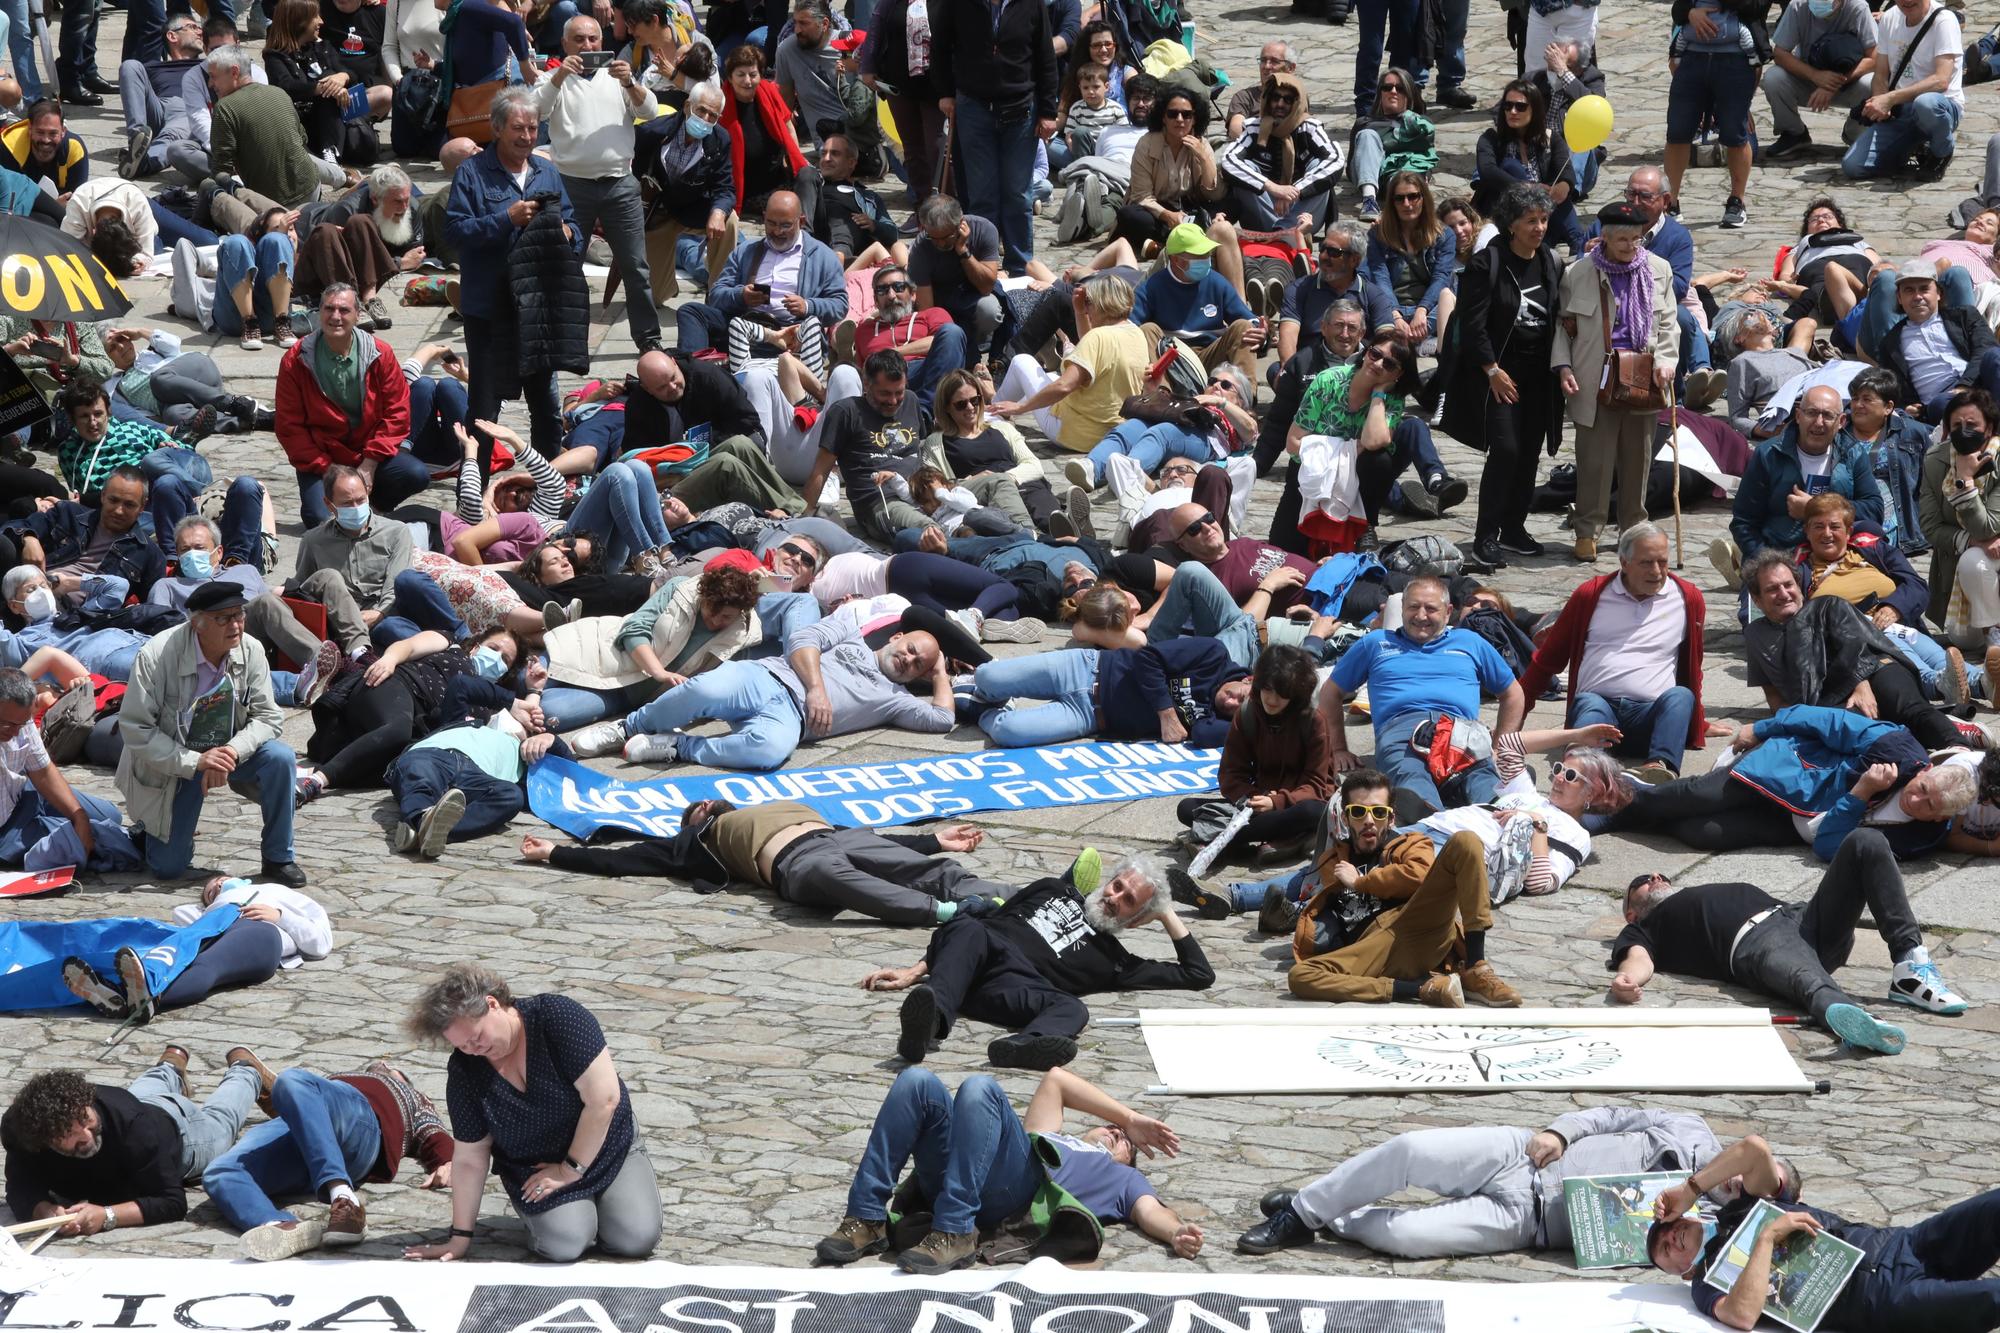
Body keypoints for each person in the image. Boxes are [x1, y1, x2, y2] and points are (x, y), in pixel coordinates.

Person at [1613, 830, 1967, 1063]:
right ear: (1632, 912)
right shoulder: (1646, 927)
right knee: (1805, 978)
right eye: (1644, 881)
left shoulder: (1691, 896)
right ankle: (1855, 1021)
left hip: (1802, 918)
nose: (1655, 878)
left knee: (1865, 841)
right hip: (1757, 942)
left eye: (1659, 874)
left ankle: (1910, 965)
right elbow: (1638, 958)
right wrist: (1628, 980)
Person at [818, 1065, 1203, 1275]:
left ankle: (954, 1232)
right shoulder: (1047, 1133)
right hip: (962, 1176)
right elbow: (1056, 1078)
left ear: (1126, 1161)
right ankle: (866, 1219)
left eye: (1125, 1142)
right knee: (915, 1081)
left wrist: (1176, 1233)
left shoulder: (1121, 1177)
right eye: (1112, 1128)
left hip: (1017, 1196)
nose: (1116, 1133)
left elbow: (1150, 1211)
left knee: (980, 1088)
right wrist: (1129, 1118)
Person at [403, 964, 660, 1264]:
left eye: (477, 1037)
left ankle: (600, 1206)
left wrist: (569, 1169)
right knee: (565, 1243)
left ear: (492, 1004)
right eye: (463, 1046)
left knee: (635, 1238)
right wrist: (460, 1237)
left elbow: (604, 1099)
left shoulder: (557, 1017)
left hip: (606, 1144)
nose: (474, 1049)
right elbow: (471, 1158)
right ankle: (571, 1214)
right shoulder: (465, 1069)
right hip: (534, 1166)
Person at [859, 854, 1214, 1070]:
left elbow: (1198, 974)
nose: (1113, 897)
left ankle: (1021, 1047)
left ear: (1136, 919)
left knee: (1073, 1009)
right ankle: (927, 1026)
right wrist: (915, 971)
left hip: (1011, 989)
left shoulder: (1117, 962)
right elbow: (972, 931)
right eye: (1116, 885)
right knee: (969, 926)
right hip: (979, 956)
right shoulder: (1051, 888)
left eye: (1128, 899)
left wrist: (1166, 913)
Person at [1239, 1107, 1742, 1259]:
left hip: (1527, 1223)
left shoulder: (1712, 1228)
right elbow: (1612, 1115)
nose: (1744, 1181)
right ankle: (1301, 1215)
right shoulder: (1692, 1126)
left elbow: (1665, 1256)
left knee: (1404, 1238)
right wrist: (1559, 1132)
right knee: (1412, 1149)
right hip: (1524, 1155)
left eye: (1763, 1186)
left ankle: (1327, 1212)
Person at [1648, 1138, 2000, 1332]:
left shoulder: (1738, 1209)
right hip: (1880, 1299)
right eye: (1664, 1249)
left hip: (1900, 1244)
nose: (1671, 1236)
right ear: (1682, 1271)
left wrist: (1690, 1189)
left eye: (1671, 1226)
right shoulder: (1704, 1284)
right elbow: (1741, 1315)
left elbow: (1754, 1150)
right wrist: (1767, 1240)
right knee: (1992, 1297)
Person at [522, 798, 1015, 926]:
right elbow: (624, 860)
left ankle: (1007, 897)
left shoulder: (776, 806)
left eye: (706, 803)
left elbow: (875, 840)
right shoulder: (699, 840)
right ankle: (941, 914)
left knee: (933, 871)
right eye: (692, 811)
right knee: (833, 877)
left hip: (835, 836)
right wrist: (556, 853)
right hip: (795, 865)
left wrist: (932, 840)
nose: (703, 806)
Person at [565, 615, 952, 768]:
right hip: (766, 676)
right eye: (911, 649)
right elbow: (802, 639)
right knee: (704, 689)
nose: (909, 660)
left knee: (769, 753)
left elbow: (942, 718)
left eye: (918, 664)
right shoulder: (850, 635)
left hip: (791, 720)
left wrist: (939, 673)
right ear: (898, 637)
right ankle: (629, 727)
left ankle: (677, 747)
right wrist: (815, 688)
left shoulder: (895, 699)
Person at [116, 581, 305, 886]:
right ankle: (151, 834)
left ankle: (278, 857)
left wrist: (231, 751)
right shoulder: (156, 655)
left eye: (239, 615)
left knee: (281, 758)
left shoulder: (251, 649)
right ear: (197, 623)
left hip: (231, 751)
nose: (235, 625)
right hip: (177, 760)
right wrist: (197, 762)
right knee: (167, 868)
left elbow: (269, 717)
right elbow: (136, 729)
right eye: (223, 618)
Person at [1608, 702, 1973, 859]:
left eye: (1929, 807)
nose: (1916, 801)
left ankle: (1635, 801)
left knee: (1702, 833)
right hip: (1788, 769)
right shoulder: (1897, 748)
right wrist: (1761, 727)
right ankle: (1607, 806)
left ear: (1941, 819)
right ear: (1925, 771)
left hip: (1792, 825)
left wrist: (1861, 794)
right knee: (1696, 796)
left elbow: (1830, 849)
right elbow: (1823, 720)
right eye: (1922, 790)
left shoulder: (1922, 836)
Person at [446, 86, 580, 471]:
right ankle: (474, 490)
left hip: (538, 307)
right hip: (490, 308)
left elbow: (571, 222)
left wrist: (570, 234)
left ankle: (548, 489)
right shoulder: (472, 173)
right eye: (518, 129)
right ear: (498, 128)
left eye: (533, 129)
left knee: (545, 405)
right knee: (485, 406)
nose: (526, 137)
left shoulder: (546, 171)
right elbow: (455, 232)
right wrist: (505, 219)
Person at [1, 1052, 272, 1237]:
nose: (85, 1134)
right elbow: (20, 1186)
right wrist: (44, 1211)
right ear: (44, 1140)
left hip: (183, 1133)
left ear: (86, 1102)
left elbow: (172, 1202)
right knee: (140, 1094)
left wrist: (107, 1215)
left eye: (85, 1119)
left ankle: (245, 1071)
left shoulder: (133, 1126)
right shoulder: (23, 1129)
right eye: (69, 1133)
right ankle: (171, 1064)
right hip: (137, 1103)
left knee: (222, 1120)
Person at [203, 1061, 451, 1261]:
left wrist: (448, 1161)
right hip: (298, 1131)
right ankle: (281, 1225)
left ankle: (343, 1196)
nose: (380, 1065)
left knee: (291, 1080)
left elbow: (434, 1134)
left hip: (361, 1126)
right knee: (221, 1171)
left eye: (389, 1067)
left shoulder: (412, 1096)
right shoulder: (336, 1079)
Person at [1318, 572, 1524, 812]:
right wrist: (1338, 748)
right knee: (1414, 789)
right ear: (1402, 608)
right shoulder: (1376, 643)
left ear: (1448, 612)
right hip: (1400, 734)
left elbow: (1513, 694)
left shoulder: (1469, 642)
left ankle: (1494, 832)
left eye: (1431, 609)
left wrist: (1501, 748)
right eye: (1413, 607)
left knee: (1490, 791)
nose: (1421, 615)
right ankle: (1433, 834)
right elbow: (1331, 692)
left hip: (1459, 733)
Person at [1519, 524, 1708, 781]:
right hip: (1599, 711)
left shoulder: (1688, 598)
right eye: (1646, 563)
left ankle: (1658, 769)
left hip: (1650, 717)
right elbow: (1547, 661)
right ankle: (1580, 767)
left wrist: (1699, 723)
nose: (1657, 572)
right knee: (1588, 702)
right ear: (1624, 563)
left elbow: (1693, 668)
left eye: (1663, 562)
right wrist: (1514, 721)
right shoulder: (1591, 595)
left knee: (1681, 697)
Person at [1440, 183, 1564, 568]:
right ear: (1511, 224)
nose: (1539, 227)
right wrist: (1492, 369)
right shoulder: (1487, 264)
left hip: (1538, 378)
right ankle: (1485, 537)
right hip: (1497, 375)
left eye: (1544, 220)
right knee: (1505, 451)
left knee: (1529, 454)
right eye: (1531, 221)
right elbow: (1473, 325)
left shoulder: (1550, 261)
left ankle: (1514, 529)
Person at [1740, 550, 1966, 754]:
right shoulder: (1755, 636)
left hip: (1875, 669)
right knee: (1859, 733)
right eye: (1772, 589)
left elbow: (1857, 646)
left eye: (1788, 585)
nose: (1783, 593)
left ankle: (1960, 749)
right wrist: (1794, 722)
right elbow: (1773, 694)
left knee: (1907, 709)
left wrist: (1861, 686)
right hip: (1830, 700)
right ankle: (1950, 727)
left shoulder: (1825, 605)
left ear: (1799, 587)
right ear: (1757, 600)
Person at [1554, 201, 1678, 564]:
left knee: (1637, 458)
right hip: (1596, 376)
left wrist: (1668, 362)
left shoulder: (1659, 269)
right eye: (1622, 239)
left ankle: (1633, 528)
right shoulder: (1578, 273)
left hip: (1644, 374)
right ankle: (1587, 530)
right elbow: (1565, 326)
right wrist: (1563, 367)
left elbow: (1669, 322)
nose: (1629, 246)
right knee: (1594, 459)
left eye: (1636, 239)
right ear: (1603, 238)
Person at [536, 13, 661, 349]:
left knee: (636, 268)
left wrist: (631, 83)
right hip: (571, 186)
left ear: (602, 42)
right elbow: (536, 109)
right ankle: (562, 337)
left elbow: (650, 110)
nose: (587, 46)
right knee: (566, 265)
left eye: (593, 39)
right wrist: (560, 75)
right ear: (564, 45)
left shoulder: (618, 76)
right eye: (579, 39)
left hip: (619, 183)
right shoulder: (554, 78)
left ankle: (649, 341)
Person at [274, 283, 423, 527]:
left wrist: (370, 462)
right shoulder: (295, 359)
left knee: (415, 474)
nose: (335, 317)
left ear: (358, 315)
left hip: (367, 454)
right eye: (328, 309)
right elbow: (289, 427)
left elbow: (398, 412)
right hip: (322, 459)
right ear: (318, 312)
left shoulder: (380, 353)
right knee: (319, 520)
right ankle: (348, 507)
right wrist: (328, 469)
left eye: (344, 310)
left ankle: (372, 507)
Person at [1172, 642, 1332, 863]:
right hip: (1255, 803)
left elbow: (1316, 784)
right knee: (1187, 808)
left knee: (1314, 813)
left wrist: (1277, 802)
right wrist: (1252, 798)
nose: (1272, 700)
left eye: (1281, 694)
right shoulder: (1246, 714)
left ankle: (1220, 840)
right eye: (1268, 690)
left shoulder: (1313, 721)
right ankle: (1277, 838)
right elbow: (1230, 775)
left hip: (1297, 803)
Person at [930, 0, 1057, 274]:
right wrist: (945, 92)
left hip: (1021, 110)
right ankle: (984, 266)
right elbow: (939, 46)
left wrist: (1048, 110)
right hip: (974, 107)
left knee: (1018, 194)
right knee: (981, 196)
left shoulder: (1032, 4)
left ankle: (1020, 267)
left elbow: (1045, 55)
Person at [972, 632, 1252, 747]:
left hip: (1088, 715)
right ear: (1249, 679)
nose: (1231, 703)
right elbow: (1147, 657)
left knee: (1007, 731)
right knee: (987, 676)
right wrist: (1166, 712)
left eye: (1240, 711)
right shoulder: (1213, 655)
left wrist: (1249, 723)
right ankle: (981, 691)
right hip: (1086, 666)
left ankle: (976, 708)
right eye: (1241, 696)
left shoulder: (1225, 720)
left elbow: (1202, 735)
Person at [680, 190, 843, 373]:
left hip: (792, 333)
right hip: (745, 326)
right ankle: (693, 374)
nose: (777, 231)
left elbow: (840, 305)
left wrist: (807, 305)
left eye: (785, 225)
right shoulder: (746, 250)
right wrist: (741, 295)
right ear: (764, 217)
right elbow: (716, 295)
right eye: (771, 223)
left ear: (801, 221)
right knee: (691, 312)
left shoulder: (823, 256)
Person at [1728, 384, 1886, 568]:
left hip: (1838, 559)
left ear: (1841, 421)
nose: (1819, 422)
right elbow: (1743, 522)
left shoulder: (1853, 453)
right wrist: (1767, 562)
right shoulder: (1768, 454)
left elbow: (1874, 509)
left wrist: (1815, 509)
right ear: (1798, 416)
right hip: (1782, 558)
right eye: (1811, 413)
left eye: (1828, 415)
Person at [993, 272, 1150, 455]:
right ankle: (999, 408)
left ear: (1101, 305)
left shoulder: (1098, 337)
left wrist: (1021, 408)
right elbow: (1092, 350)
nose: (1088, 309)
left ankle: (992, 412)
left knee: (1022, 361)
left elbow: (1065, 386)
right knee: (1050, 376)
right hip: (1110, 436)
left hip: (1072, 433)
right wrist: (1079, 312)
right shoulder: (1136, 333)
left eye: (1089, 303)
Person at [205, 47, 344, 235]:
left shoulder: (225, 108)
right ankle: (343, 177)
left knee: (210, 187)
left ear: (234, 72)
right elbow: (301, 138)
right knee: (300, 154)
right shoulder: (278, 92)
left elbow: (221, 168)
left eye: (213, 76)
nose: (210, 83)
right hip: (311, 187)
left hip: (274, 206)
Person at [1109, 87, 1236, 286]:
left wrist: (1204, 159)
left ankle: (1163, 245)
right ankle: (1179, 242)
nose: (1179, 119)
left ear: (1195, 119)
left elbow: (1215, 194)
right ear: (1163, 118)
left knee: (1232, 202)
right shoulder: (1147, 144)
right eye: (1172, 114)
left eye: (1186, 115)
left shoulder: (1201, 144)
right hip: (1154, 211)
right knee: (1130, 215)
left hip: (1187, 209)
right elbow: (1142, 196)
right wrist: (1167, 215)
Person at [287, 463, 415, 658]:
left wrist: (379, 613)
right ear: (329, 504)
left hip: (382, 616)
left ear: (368, 494)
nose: (355, 508)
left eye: (360, 500)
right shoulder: (314, 540)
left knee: (400, 633)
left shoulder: (396, 532)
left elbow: (396, 586)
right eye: (347, 504)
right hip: (338, 621)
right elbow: (304, 588)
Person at [0, 668, 119, 870]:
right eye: (7, 724)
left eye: (20, 725)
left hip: (24, 793)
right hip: (7, 828)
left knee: (109, 817)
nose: (14, 732)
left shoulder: (20, 719)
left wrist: (79, 816)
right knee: (85, 842)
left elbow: (43, 771)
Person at [1663, 0, 1761, 229]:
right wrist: (1691, 13)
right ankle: (1670, 202)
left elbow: (1756, 8)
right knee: (1677, 132)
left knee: (1735, 135)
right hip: (1692, 58)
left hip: (1736, 60)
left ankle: (1736, 201)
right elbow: (1677, 10)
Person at [1841, 0, 1962, 181]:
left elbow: (1941, 80)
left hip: (1940, 104)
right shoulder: (1890, 18)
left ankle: (1941, 151)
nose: (1907, 1)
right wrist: (1881, 103)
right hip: (1901, 110)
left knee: (1926, 103)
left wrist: (1890, 98)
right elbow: (1881, 74)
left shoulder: (1944, 20)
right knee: (1852, 167)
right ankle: (1909, 148)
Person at [638, 83, 736, 305]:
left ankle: (719, 291)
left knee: (729, 221)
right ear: (687, 106)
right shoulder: (653, 132)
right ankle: (667, 286)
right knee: (653, 298)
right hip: (658, 212)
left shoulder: (721, 139)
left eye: (713, 115)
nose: (705, 119)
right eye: (701, 110)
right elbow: (632, 173)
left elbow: (725, 187)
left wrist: (718, 212)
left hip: (695, 208)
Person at [1130, 223, 1264, 379]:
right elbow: (1129, 326)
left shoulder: (1217, 282)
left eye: (1208, 253)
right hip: (1171, 360)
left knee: (1243, 327)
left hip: (1210, 355)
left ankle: (1243, 397)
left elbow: (1247, 318)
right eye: (1200, 254)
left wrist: (1260, 331)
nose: (1206, 259)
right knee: (1147, 329)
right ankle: (1161, 397)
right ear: (1176, 260)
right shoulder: (1153, 286)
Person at [1217, 72, 1341, 235]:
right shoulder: (1254, 129)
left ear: (1298, 103)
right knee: (1244, 167)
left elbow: (1336, 159)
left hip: (1302, 214)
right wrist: (1272, 187)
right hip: (1264, 213)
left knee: (1320, 166)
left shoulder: (1309, 129)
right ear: (1267, 100)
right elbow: (1228, 160)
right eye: (1275, 98)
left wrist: (1294, 191)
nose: (1280, 104)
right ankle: (1285, 235)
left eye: (1287, 100)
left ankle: (1283, 232)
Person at [1919, 388, 2000, 625]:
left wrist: (1964, 483)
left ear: (1990, 428)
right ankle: (1989, 634)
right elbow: (1929, 527)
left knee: (1974, 560)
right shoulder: (1935, 461)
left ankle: (1995, 636)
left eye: (1972, 425)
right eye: (1956, 425)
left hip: (1993, 559)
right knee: (1961, 640)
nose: (1964, 431)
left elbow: (1987, 527)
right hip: (1954, 574)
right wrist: (1971, 541)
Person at [1880, 266, 2000, 424]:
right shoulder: (1890, 344)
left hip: (1980, 383)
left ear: (1938, 293)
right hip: (1943, 401)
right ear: (1899, 298)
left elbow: (1986, 348)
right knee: (1940, 404)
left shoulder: (1964, 316)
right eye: (1909, 290)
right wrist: (1907, 407)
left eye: (1924, 289)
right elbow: (1893, 388)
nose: (1917, 296)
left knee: (1995, 356)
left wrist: (1964, 386)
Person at [1471, 81, 1579, 250]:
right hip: (1506, 215)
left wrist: (1564, 185)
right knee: (1511, 166)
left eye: (1520, 107)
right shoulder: (1491, 139)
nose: (1512, 112)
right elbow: (1488, 171)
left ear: (1534, 109)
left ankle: (1579, 247)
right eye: (1507, 106)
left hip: (1540, 216)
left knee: (1558, 192)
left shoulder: (1551, 138)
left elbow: (1565, 167)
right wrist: (1530, 188)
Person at [854, 265, 968, 411]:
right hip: (884, 381)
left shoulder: (931, 314)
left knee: (952, 331)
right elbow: (862, 372)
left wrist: (894, 353)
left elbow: (947, 341)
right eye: (882, 290)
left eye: (898, 287)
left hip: (925, 372)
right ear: (876, 301)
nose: (891, 295)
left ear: (913, 294)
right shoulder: (864, 329)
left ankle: (925, 412)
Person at [1362, 172, 1455, 349]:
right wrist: (1395, 315)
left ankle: (1408, 337)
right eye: (1399, 198)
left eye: (1413, 196)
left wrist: (1422, 310)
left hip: (1428, 310)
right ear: (1392, 202)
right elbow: (1380, 277)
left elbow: (1441, 278)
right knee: (1364, 295)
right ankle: (1415, 338)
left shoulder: (1444, 235)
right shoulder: (1379, 234)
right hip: (1391, 306)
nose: (1407, 204)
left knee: (1452, 293)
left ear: (1423, 198)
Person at [114, 13, 207, 179]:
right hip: (157, 109)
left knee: (172, 134)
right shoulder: (152, 67)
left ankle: (145, 162)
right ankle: (137, 138)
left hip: (187, 108)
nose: (200, 32)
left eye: (200, 28)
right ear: (172, 36)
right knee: (130, 65)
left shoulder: (206, 66)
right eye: (192, 27)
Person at [909, 195, 1003, 358]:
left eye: (945, 238)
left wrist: (963, 251)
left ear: (961, 225)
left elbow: (987, 286)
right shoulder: (921, 247)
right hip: (942, 300)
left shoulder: (984, 229)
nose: (939, 244)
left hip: (974, 295)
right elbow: (927, 310)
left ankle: (979, 337)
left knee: (989, 311)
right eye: (933, 238)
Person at [717, 46, 806, 217]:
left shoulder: (769, 91)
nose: (748, 81)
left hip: (779, 175)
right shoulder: (721, 104)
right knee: (781, 210)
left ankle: (806, 228)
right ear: (730, 77)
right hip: (749, 185)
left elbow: (788, 126)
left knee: (809, 178)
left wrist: (796, 161)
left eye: (753, 74)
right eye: (741, 75)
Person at [1346, 68, 1435, 225]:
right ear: (1380, 93)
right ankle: (1369, 201)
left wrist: (1424, 176)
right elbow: (1352, 166)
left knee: (1403, 176)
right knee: (1367, 135)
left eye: (1399, 88)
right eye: (1387, 88)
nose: (1393, 92)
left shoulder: (1420, 124)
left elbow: (1426, 156)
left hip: (1400, 177)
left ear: (1408, 93)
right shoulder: (1365, 123)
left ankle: (1401, 199)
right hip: (1368, 177)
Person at [0, 101, 87, 198]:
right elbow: (8, 199)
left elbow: (79, 199)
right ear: (30, 129)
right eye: (40, 132)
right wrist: (54, 207)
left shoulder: (74, 148)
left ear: (63, 131)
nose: (46, 140)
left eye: (53, 133)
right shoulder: (9, 146)